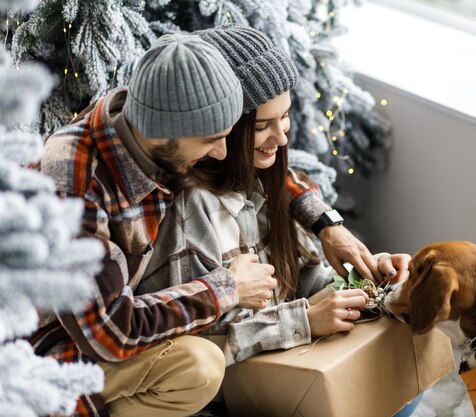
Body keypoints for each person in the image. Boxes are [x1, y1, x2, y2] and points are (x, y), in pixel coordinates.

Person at [32, 32, 399, 417]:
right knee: (199, 366)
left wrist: (324, 222)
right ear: (163, 135)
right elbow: (112, 334)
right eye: (213, 139)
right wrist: (228, 287)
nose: (222, 152)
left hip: (108, 331)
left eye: (228, 136)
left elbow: (260, 162)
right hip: (54, 354)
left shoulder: (152, 104)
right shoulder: (75, 192)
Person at [138, 26, 410, 369]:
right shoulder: (191, 208)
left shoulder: (267, 181)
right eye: (264, 124)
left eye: (285, 116)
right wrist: (303, 321)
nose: (281, 138)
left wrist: (372, 278)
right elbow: (193, 345)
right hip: (247, 382)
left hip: (298, 361)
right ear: (225, 126)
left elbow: (306, 280)